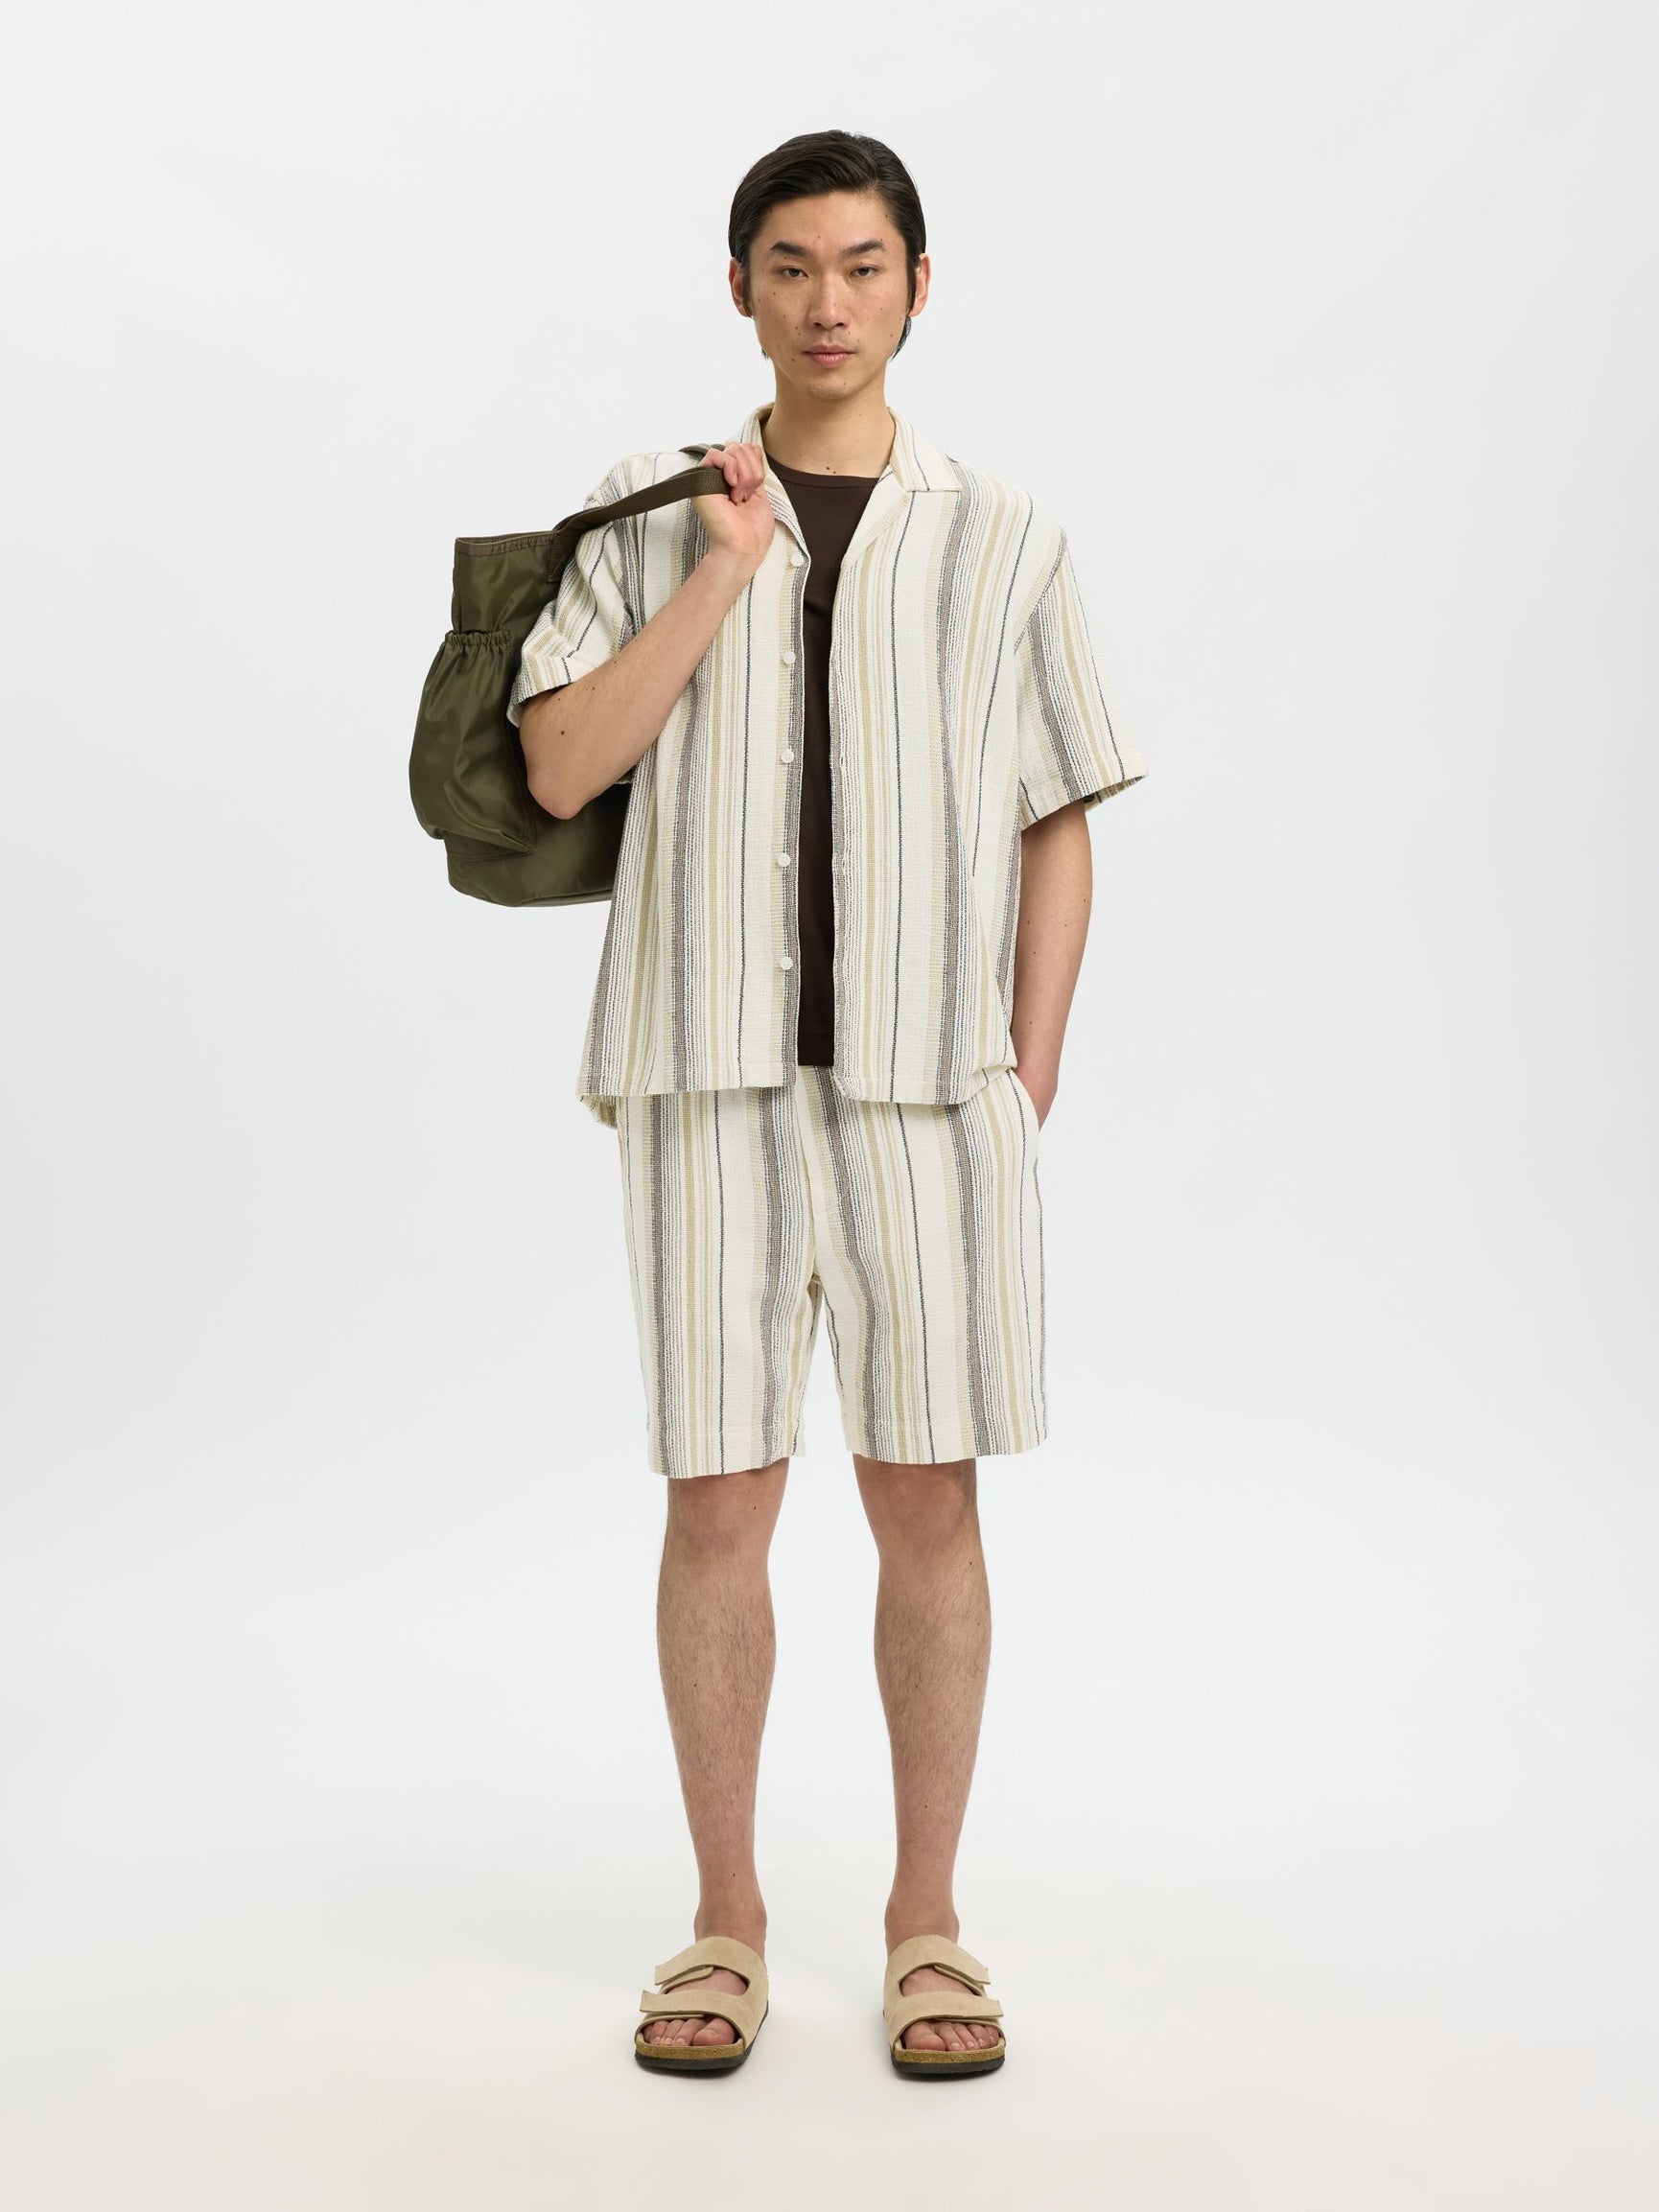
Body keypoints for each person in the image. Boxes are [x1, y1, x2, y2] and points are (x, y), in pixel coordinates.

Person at [509, 130, 1147, 2077]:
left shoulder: (1005, 537)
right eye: (789, 265)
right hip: (703, 1075)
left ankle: (925, 1921)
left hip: (926, 1096)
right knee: (717, 1497)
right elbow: (559, 769)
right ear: (740, 289)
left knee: (926, 1497)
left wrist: (1025, 1063)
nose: (826, 302)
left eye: (862, 265)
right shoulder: (645, 516)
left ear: (917, 285)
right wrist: (719, 570)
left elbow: (1058, 812)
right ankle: (725, 1921)